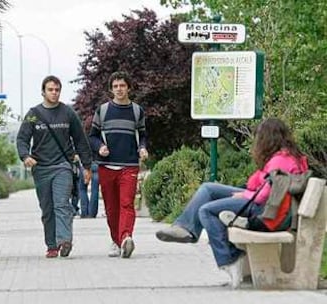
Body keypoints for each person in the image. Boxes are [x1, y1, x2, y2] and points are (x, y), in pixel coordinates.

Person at [155, 118, 308, 287]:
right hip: (270, 204)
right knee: (208, 189)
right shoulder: (288, 156)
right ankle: (186, 228)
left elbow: (263, 196)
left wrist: (242, 196)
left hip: (265, 209)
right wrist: (245, 192)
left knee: (206, 211)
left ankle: (230, 258)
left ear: (268, 138)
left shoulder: (280, 161)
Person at [16, 75, 92, 259]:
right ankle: (51, 245)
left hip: (62, 166)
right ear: (43, 91)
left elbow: (81, 140)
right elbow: (22, 138)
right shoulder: (33, 114)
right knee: (47, 209)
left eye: (57, 89)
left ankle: (64, 240)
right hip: (41, 168)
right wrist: (25, 156)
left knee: (61, 204)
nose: (54, 93)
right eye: (50, 89)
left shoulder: (68, 112)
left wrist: (87, 166)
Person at [89, 71, 148, 258]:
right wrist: (100, 147)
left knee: (126, 204)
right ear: (111, 89)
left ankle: (126, 237)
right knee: (111, 208)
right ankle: (116, 240)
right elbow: (92, 136)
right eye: (115, 86)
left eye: (122, 85)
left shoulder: (137, 111)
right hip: (106, 166)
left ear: (128, 87)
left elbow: (143, 135)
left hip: (129, 165)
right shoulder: (103, 110)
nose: (119, 89)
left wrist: (143, 148)